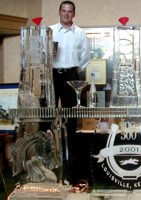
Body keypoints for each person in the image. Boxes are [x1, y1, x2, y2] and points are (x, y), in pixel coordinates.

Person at [50, 0, 91, 182]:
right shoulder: (50, 31)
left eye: (70, 11)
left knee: (71, 118)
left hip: (72, 75)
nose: (66, 14)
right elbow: (43, 52)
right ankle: (50, 157)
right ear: (59, 12)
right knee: (50, 114)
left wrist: (72, 71)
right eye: (63, 11)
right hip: (52, 74)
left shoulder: (80, 33)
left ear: (74, 14)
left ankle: (72, 162)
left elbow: (85, 57)